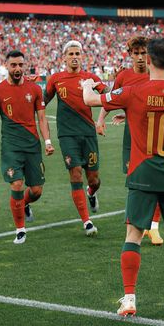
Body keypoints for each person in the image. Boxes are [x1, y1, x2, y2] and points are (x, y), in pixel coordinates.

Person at [82, 37, 164, 317]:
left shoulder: (134, 91)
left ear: (150, 60)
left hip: (143, 174)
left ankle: (129, 298)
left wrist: (85, 85)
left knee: (133, 236)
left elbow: (91, 100)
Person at [96, 35, 163, 245]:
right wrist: (100, 120)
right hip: (132, 136)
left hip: (154, 134)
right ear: (130, 55)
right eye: (137, 53)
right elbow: (112, 99)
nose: (141, 57)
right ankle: (137, 225)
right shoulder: (124, 76)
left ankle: (153, 227)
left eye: (144, 53)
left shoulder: (156, 74)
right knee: (135, 183)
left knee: (157, 181)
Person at [0, 50, 54, 245]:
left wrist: (48, 143)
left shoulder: (34, 89)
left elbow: (42, 119)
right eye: (13, 65)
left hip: (32, 146)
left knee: (37, 191)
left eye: (20, 65)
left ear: (25, 66)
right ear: (6, 66)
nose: (17, 69)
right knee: (16, 184)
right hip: (11, 147)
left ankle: (23, 204)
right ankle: (20, 229)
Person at [44, 40, 109, 236]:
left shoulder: (90, 77)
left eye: (77, 53)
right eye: (70, 54)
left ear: (82, 56)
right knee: (75, 174)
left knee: (94, 179)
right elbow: (42, 102)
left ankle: (91, 193)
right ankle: (87, 222)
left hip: (88, 133)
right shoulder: (56, 79)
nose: (74, 57)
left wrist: (118, 82)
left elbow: (108, 94)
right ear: (64, 57)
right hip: (67, 135)